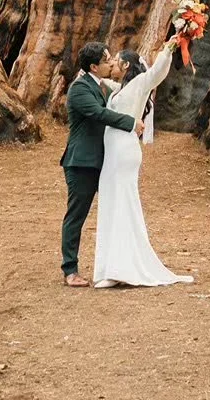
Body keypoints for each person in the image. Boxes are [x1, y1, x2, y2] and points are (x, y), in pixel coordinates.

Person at [93, 38, 193, 289]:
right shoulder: (120, 88)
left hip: (124, 152)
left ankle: (121, 268)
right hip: (113, 154)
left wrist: (170, 47)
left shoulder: (139, 84)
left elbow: (156, 72)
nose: (112, 65)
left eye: (116, 61)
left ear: (126, 65)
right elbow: (100, 82)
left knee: (123, 204)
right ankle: (112, 266)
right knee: (112, 203)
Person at [60, 42, 142, 287]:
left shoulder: (101, 86)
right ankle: (70, 270)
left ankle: (119, 266)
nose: (111, 63)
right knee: (77, 215)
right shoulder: (79, 89)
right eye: (106, 61)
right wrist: (131, 123)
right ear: (94, 67)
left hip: (103, 162)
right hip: (82, 162)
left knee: (114, 212)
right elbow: (99, 114)